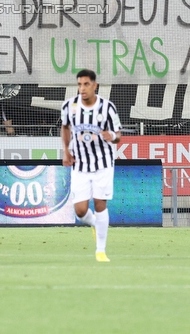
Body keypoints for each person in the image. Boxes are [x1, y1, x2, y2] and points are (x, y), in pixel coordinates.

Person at [61, 69, 121, 263]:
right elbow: (65, 127)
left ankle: (100, 251)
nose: (82, 88)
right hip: (80, 164)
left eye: (86, 84)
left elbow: (118, 135)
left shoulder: (107, 108)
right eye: (79, 84)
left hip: (103, 164)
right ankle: (95, 224)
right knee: (79, 210)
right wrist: (66, 150)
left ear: (95, 85)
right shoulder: (69, 106)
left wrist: (111, 136)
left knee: (100, 203)